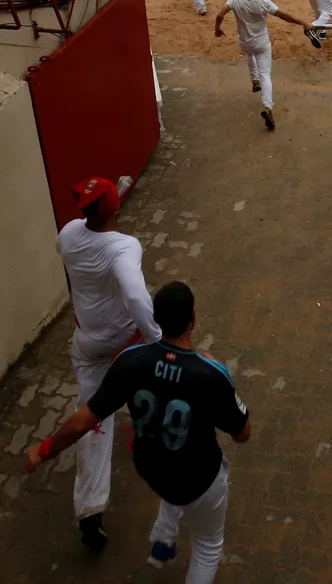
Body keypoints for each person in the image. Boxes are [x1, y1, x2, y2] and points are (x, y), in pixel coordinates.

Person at [25, 281, 250, 582]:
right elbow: (242, 434)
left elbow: (81, 423)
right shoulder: (210, 375)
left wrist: (43, 451)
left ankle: (162, 541)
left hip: (152, 467)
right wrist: (227, 381)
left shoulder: (130, 361)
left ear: (155, 319)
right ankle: (168, 541)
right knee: (208, 546)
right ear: (193, 318)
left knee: (172, 479)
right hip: (199, 479)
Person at [52, 176, 160, 551]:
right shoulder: (124, 247)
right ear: (116, 207)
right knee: (150, 389)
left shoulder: (67, 235)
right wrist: (155, 337)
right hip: (125, 342)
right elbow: (135, 293)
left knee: (93, 416)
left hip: (87, 341)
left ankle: (90, 509)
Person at [215, 0, 319, 131]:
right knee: (266, 75)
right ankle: (267, 106)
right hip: (262, 43)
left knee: (249, 53)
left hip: (244, 41)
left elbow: (220, 15)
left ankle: (254, 80)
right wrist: (304, 22)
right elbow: (284, 16)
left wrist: (217, 30)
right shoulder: (263, 1)